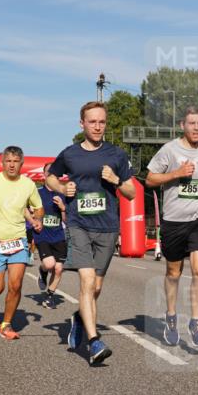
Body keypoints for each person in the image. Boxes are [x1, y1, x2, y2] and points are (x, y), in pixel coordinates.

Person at [46, 101, 136, 366]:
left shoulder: (117, 155)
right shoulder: (70, 154)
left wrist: (116, 180)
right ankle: (94, 341)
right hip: (79, 225)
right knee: (86, 281)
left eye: (102, 122)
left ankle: (79, 317)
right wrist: (62, 189)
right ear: (82, 124)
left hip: (107, 227)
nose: (97, 126)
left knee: (96, 287)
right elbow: (50, 177)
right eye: (92, 122)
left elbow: (131, 192)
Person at [145, 106, 198, 347]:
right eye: (191, 124)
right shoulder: (169, 150)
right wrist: (176, 173)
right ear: (182, 126)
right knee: (173, 273)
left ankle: (195, 321)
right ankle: (171, 317)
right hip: (174, 222)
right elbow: (150, 179)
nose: (196, 128)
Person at [0, 146, 43, 340]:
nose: (12, 165)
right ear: (2, 162)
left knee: (16, 285)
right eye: (8, 161)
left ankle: (6, 324)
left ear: (22, 163)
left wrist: (38, 219)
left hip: (18, 241)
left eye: (16, 161)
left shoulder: (28, 184)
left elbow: (38, 207)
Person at [34, 163, 68, 309]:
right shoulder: (37, 193)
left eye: (54, 172)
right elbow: (27, 211)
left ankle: (49, 296)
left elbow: (66, 220)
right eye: (49, 172)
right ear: (44, 174)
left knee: (59, 268)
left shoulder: (63, 194)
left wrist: (63, 208)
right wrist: (34, 218)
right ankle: (42, 271)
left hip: (58, 235)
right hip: (42, 234)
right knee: (49, 265)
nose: (51, 174)